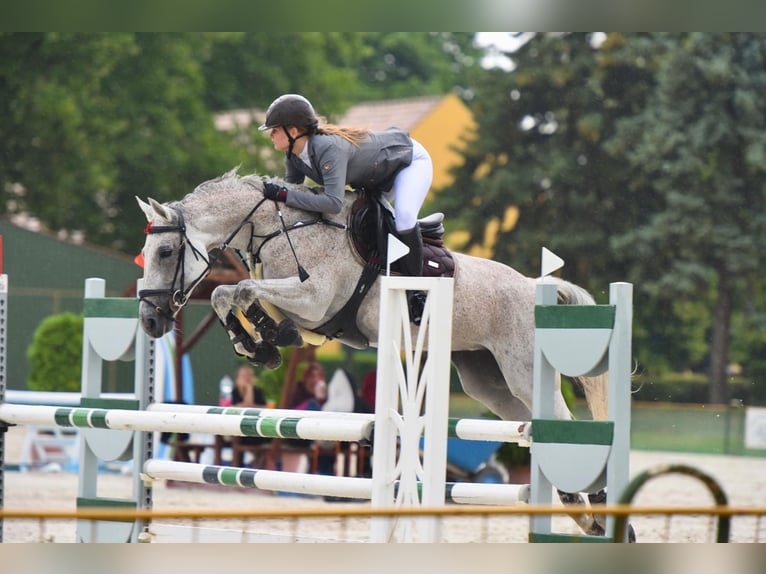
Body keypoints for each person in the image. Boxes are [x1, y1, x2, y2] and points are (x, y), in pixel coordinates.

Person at [259, 93, 434, 322]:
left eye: (274, 130)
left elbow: (332, 203)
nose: (270, 135)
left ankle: (417, 294)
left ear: (293, 132)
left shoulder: (327, 148)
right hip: (375, 178)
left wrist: (284, 194)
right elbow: (293, 194)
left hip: (408, 163)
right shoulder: (294, 156)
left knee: (404, 218)